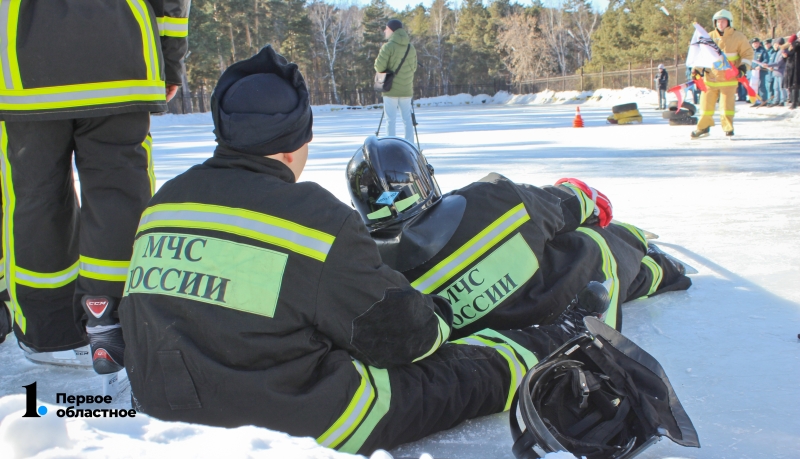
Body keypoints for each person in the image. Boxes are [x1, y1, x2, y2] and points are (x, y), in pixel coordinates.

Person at [120, 46, 594, 456]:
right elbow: (405, 338)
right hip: (292, 420)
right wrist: (440, 316)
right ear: (294, 144)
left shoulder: (164, 203)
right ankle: (565, 341)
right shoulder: (313, 219)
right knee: (465, 372)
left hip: (166, 414)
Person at [0, 0, 190, 373]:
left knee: (35, 197)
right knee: (120, 193)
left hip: (24, 67)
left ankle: (49, 332)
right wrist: (169, 60)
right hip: (121, 59)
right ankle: (115, 320)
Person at [349, 136, 692, 338]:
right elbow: (573, 205)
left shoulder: (369, 267)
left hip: (495, 345)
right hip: (567, 309)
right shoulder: (492, 198)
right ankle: (661, 268)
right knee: (602, 240)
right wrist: (581, 192)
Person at [691, 9, 753, 139]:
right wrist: (696, 69)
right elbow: (702, 55)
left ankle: (728, 128)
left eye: (723, 21)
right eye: (718, 21)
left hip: (728, 80)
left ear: (729, 22)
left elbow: (747, 54)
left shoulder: (738, 37)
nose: (720, 24)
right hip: (710, 79)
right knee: (705, 108)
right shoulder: (709, 37)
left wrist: (743, 67)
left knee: (726, 108)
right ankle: (703, 128)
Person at [375, 19, 417, 142]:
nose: (385, 31)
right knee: (407, 119)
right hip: (406, 89)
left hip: (390, 88)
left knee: (390, 120)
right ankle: (410, 145)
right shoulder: (411, 47)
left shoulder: (388, 47)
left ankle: (390, 144)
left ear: (392, 30)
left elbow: (379, 67)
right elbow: (413, 68)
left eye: (386, 29)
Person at [762, 38, 787, 106]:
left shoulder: (783, 51)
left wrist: (769, 65)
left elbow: (779, 62)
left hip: (781, 72)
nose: (775, 45)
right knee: (775, 87)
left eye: (776, 44)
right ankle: (776, 100)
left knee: (781, 87)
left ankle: (782, 100)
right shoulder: (777, 51)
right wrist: (771, 67)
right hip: (775, 72)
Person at [750, 38, 769, 106]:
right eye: (754, 43)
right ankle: (755, 101)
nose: (755, 45)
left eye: (756, 43)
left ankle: (763, 100)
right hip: (753, 72)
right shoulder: (751, 51)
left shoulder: (762, 51)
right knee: (753, 86)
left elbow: (766, 60)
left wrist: (760, 66)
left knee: (761, 86)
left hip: (761, 71)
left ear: (759, 43)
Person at [785, 33, 800, 109]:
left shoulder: (796, 44)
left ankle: (796, 102)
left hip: (797, 67)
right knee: (794, 85)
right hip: (795, 67)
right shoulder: (795, 44)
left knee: (796, 85)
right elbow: (790, 52)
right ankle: (794, 102)